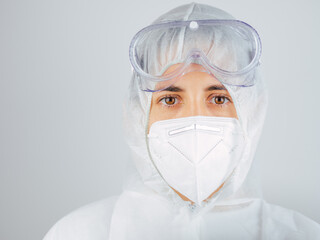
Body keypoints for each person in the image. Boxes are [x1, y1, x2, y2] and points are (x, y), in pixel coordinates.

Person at [43, 3, 320, 240]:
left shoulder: (301, 235)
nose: (195, 120)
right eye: (171, 100)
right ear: (138, 116)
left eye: (219, 98)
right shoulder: (78, 233)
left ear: (252, 114)